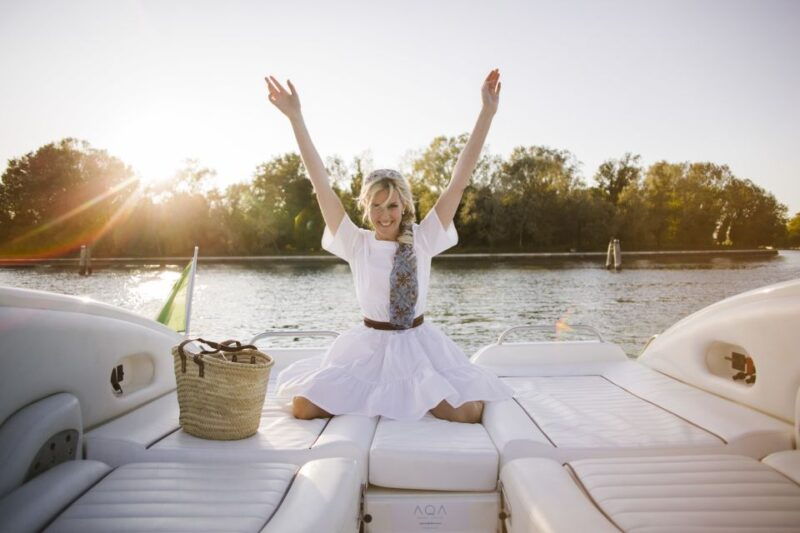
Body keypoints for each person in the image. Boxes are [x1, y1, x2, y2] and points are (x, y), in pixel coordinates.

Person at [264, 69, 512, 423]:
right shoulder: (356, 243)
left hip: (416, 346)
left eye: (392, 205)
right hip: (366, 350)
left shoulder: (424, 238)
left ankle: (421, 391)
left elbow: (458, 182)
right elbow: (321, 186)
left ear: (405, 207)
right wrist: (295, 117)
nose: (384, 214)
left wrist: (487, 112)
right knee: (303, 408)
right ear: (366, 209)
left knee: (467, 413)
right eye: (376, 206)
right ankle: (387, 395)